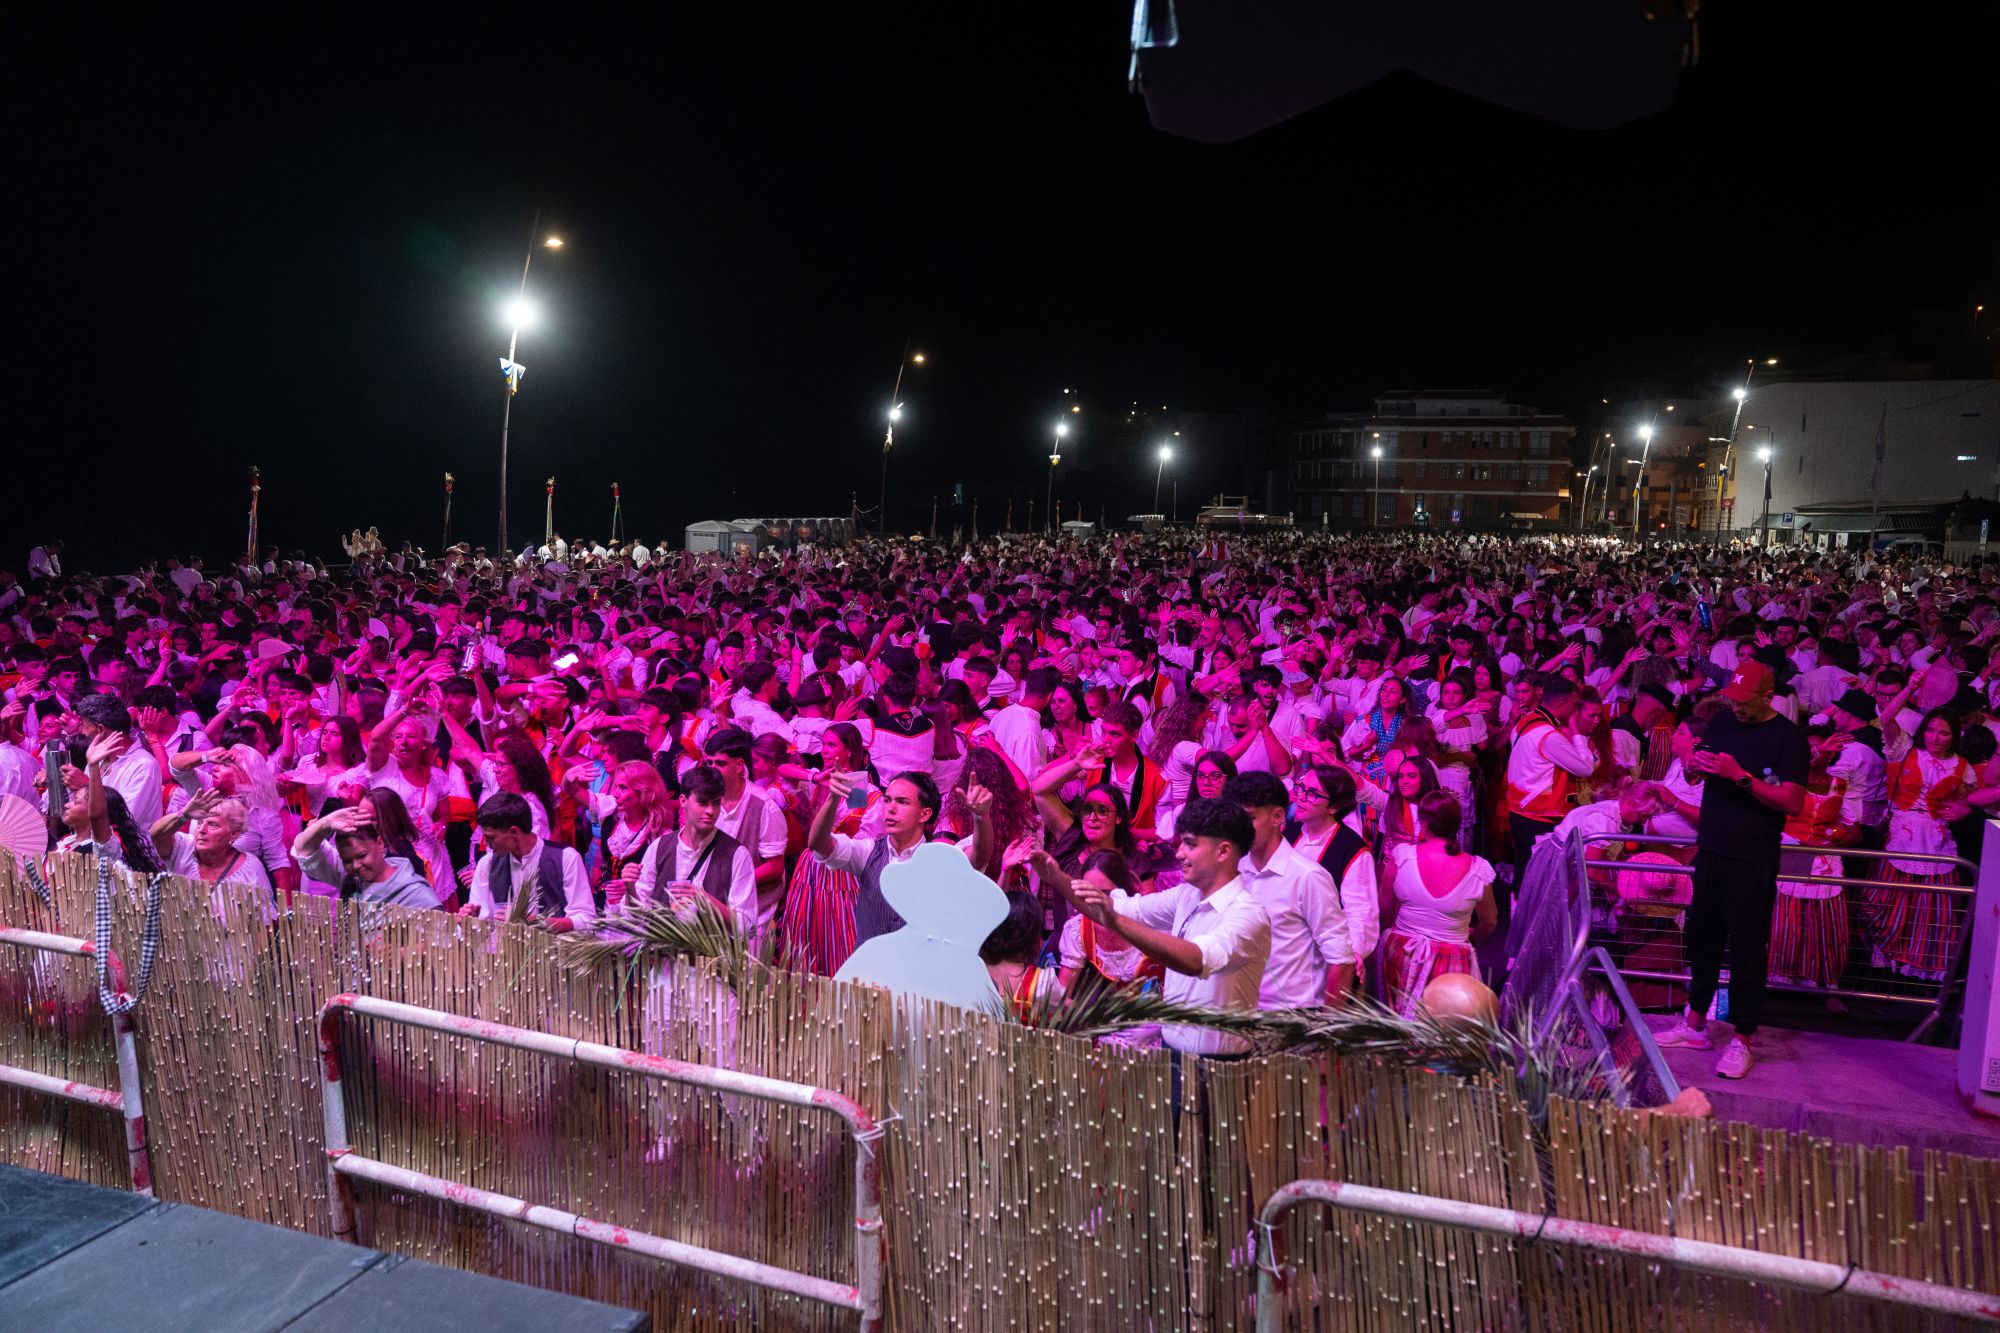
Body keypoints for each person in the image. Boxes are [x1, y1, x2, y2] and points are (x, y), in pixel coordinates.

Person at [1658, 660, 1808, 1079]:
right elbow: (1710, 763)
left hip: (1753, 855)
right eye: (1733, 700)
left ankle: (1742, 1037)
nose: (1737, 708)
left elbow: (1793, 802)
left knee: (1745, 948)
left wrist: (1740, 777)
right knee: (1702, 939)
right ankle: (1695, 1023)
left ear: (1768, 695)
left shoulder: (1789, 738)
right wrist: (1696, 767)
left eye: (1745, 701)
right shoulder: (1723, 721)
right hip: (1711, 847)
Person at [1038, 797, 1271, 1058]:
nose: (1179, 853)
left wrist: (1115, 920)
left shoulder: (1248, 915)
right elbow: (1117, 907)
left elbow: (1196, 960)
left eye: (1190, 844)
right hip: (1171, 1050)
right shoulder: (1185, 895)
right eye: (1181, 842)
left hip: (1219, 1064)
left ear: (1223, 851)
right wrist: (1055, 877)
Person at [805, 768, 993, 947]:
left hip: (917, 974)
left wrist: (981, 817)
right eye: (887, 800)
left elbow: (978, 857)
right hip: (869, 972)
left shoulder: (938, 859)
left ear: (924, 814)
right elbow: (819, 844)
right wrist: (833, 799)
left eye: (902, 802)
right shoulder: (868, 852)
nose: (891, 809)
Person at [1224, 771, 1348, 1009]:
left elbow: (1341, 960)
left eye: (1248, 818)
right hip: (1242, 1011)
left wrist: (1327, 1035)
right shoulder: (1236, 868)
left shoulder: (1307, 877)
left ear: (1277, 816)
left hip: (1293, 1019)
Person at [1379, 790, 1498, 1017]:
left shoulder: (1402, 857)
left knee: (1398, 1025)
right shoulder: (1478, 870)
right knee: (1443, 1027)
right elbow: (1490, 922)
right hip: (1452, 961)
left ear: (1422, 822)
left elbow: (1385, 911)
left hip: (1402, 953)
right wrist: (1470, 937)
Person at [626, 763, 758, 928]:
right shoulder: (659, 847)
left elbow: (746, 925)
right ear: (683, 801)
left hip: (711, 952)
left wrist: (704, 899)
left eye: (716, 803)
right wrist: (630, 887)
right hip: (662, 952)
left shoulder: (737, 854)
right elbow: (639, 917)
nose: (710, 810)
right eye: (702, 802)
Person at [461, 791, 594, 931]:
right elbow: (483, 922)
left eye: (491, 838)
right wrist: (468, 923)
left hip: (557, 950)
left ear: (514, 832)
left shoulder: (566, 858)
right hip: (506, 950)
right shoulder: (487, 864)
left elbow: (586, 920)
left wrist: (533, 922)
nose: (486, 844)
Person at [290, 805, 445, 908]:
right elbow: (303, 849)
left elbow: (445, 940)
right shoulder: (348, 876)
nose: (356, 865)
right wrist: (327, 822)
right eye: (348, 860)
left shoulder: (413, 891)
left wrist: (404, 951)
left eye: (362, 856)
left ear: (379, 843)